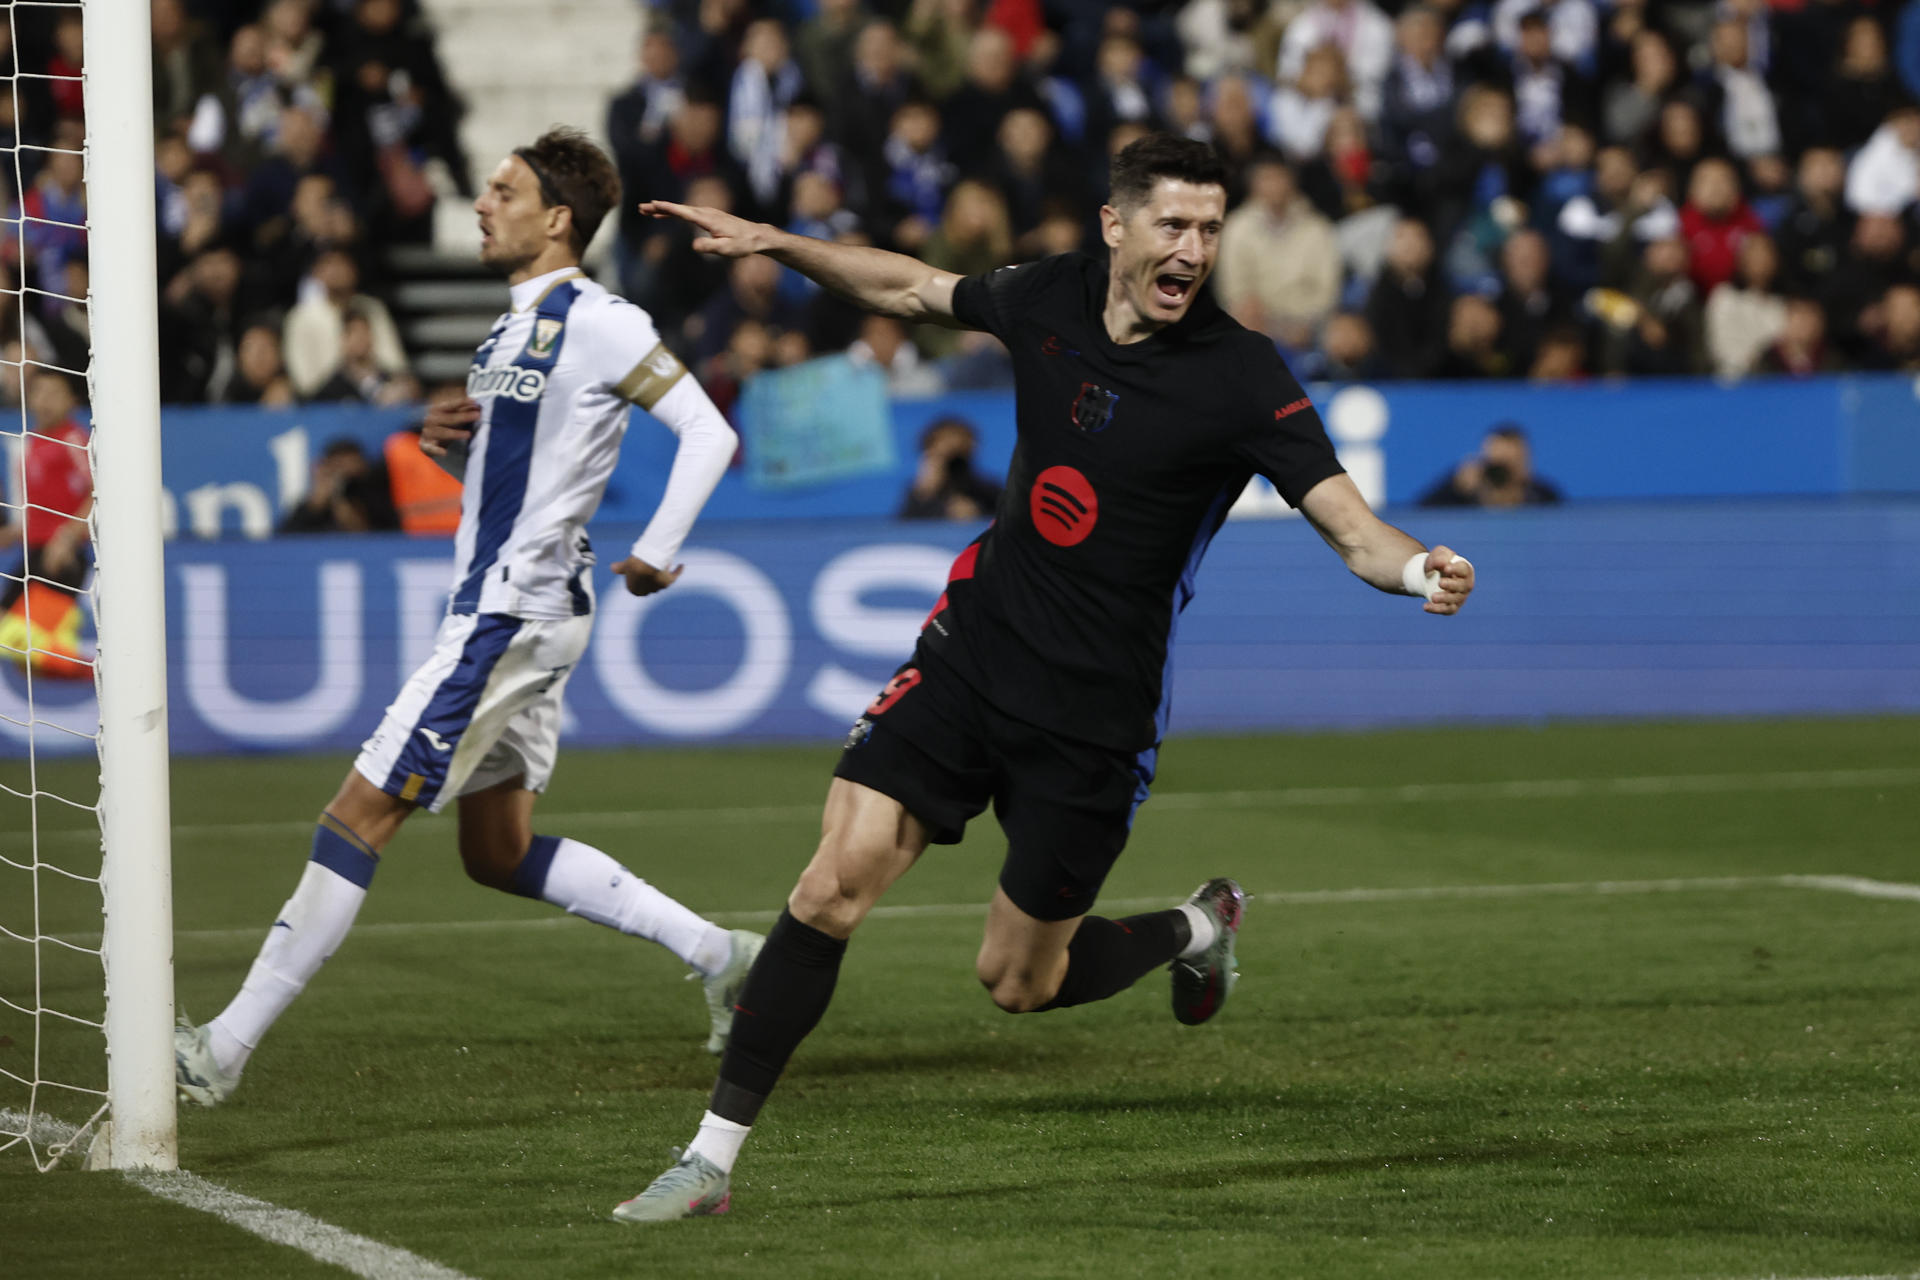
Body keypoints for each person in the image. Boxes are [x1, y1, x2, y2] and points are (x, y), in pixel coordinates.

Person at [612, 133, 1476, 1223]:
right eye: (1173, 224)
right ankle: (710, 1161)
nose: (1193, 249)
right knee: (832, 881)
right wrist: (776, 242)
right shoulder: (1048, 294)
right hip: (974, 652)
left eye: (1210, 230)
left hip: (1094, 715)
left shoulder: (1241, 374)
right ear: (1116, 225)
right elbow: (912, 287)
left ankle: (1196, 928)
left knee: (1019, 980)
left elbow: (1351, 529)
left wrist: (1419, 568)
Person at [173, 127, 762, 1109]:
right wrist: (453, 450)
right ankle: (720, 954)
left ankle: (222, 1049)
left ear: (558, 219)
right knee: (497, 852)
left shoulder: (599, 317)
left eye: (503, 191)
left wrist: (660, 544)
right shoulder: (507, 330)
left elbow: (708, 429)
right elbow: (526, 471)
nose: (482, 205)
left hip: (512, 611)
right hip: (522, 602)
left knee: (356, 816)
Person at [0, 371, 93, 681]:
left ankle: (102, 673)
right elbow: (40, 507)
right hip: (33, 552)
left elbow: (97, 492)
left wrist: (67, 537)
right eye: (39, 392)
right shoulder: (30, 443)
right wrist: (14, 532)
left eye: (55, 393)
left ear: (72, 401)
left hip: (60, 557)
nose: (45, 400)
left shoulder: (73, 438)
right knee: (25, 656)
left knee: (24, 645)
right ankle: (93, 671)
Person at [1418, 422, 1563, 506]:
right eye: (1498, 464)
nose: (1504, 473)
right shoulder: (1461, 492)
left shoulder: (1543, 497)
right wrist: (1454, 489)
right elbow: (1420, 516)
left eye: (1513, 461)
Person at [899, 415, 1001, 519]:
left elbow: (1006, 517)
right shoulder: (919, 493)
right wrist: (925, 492)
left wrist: (977, 512)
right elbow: (904, 524)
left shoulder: (986, 489)